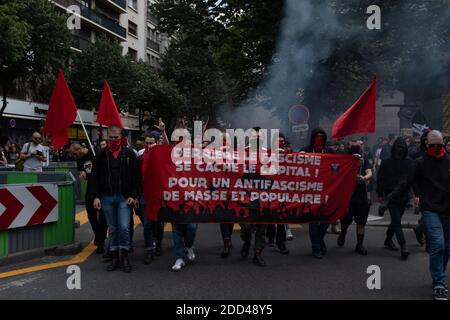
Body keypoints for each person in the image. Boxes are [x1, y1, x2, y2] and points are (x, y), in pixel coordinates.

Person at [388, 130, 450, 300]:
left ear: (444, 143)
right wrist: (391, 198)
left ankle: (439, 274)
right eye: (433, 145)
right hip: (430, 209)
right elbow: (405, 182)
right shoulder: (420, 163)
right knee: (437, 244)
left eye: (440, 145)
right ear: (426, 144)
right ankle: (439, 282)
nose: (436, 148)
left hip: (448, 210)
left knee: (447, 248)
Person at [90, 126, 140, 273]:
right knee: (112, 229)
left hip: (124, 198)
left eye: (116, 138)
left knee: (124, 227)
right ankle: (114, 257)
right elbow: (94, 177)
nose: (113, 140)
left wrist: (133, 195)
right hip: (107, 197)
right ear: (107, 137)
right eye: (110, 138)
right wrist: (95, 197)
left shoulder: (130, 154)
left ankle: (124, 256)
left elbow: (137, 177)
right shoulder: (101, 154)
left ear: (121, 138)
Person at [377, 137, 414, 260]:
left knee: (395, 221)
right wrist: (380, 195)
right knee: (397, 221)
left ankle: (388, 239)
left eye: (401, 148)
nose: (399, 151)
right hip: (390, 196)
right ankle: (403, 245)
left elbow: (409, 180)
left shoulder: (408, 162)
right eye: (397, 148)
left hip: (402, 196)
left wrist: (412, 195)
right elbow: (380, 179)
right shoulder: (386, 162)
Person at [301, 128, 334, 259]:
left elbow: (341, 163)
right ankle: (316, 247)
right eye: (317, 136)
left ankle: (320, 241)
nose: (319, 138)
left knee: (325, 220)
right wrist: (300, 156)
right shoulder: (306, 150)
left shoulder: (330, 152)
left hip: (326, 190)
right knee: (313, 221)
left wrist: (355, 156)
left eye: (322, 136)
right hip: (310, 191)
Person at [70, 143, 108, 254]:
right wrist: (83, 174)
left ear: (79, 149)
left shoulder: (95, 152)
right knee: (91, 214)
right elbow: (84, 171)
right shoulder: (80, 159)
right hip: (91, 187)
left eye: (74, 153)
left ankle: (100, 241)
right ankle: (98, 235)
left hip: (101, 187)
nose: (74, 156)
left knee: (102, 215)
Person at [338, 139, 373, 255]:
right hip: (348, 193)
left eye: (359, 145)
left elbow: (369, 172)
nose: (358, 147)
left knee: (361, 220)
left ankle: (359, 244)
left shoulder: (364, 159)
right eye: (355, 144)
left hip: (361, 193)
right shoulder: (344, 158)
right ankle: (343, 232)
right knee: (346, 219)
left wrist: (364, 178)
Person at [266, 133, 289, 254]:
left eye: (282, 141)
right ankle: (270, 237)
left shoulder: (289, 154)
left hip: (283, 190)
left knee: (281, 218)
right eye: (278, 141)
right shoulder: (267, 154)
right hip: (270, 189)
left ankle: (281, 243)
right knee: (270, 215)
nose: (281, 143)